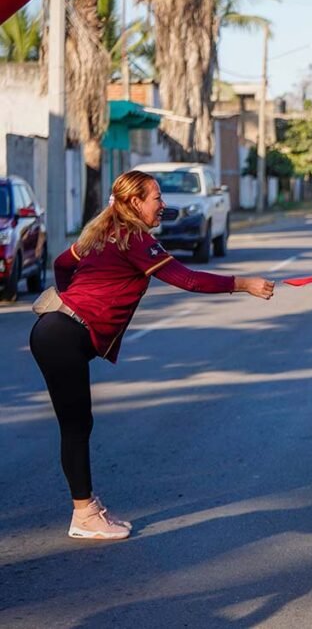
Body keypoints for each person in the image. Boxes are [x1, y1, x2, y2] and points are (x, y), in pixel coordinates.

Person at [29, 170, 275, 541]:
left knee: (78, 425)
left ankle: (87, 511)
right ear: (134, 203)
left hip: (54, 329)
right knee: (77, 427)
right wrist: (243, 285)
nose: (163, 205)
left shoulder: (100, 233)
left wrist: (72, 302)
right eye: (157, 198)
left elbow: (63, 265)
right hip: (63, 335)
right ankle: (85, 515)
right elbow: (187, 279)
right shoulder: (134, 240)